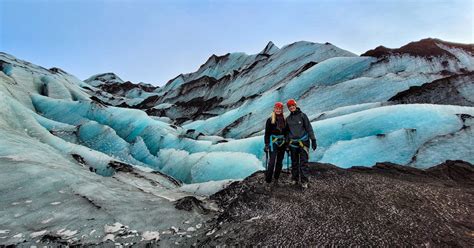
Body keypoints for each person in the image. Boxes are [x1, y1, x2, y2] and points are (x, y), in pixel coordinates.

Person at [285, 99, 317, 188]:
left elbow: (308, 128)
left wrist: (313, 139)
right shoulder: (288, 119)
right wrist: (287, 144)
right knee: (294, 162)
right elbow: (287, 132)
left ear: (295, 105)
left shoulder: (303, 116)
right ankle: (295, 179)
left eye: (293, 105)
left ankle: (304, 181)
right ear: (288, 108)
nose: (291, 107)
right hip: (293, 144)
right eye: (290, 106)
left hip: (303, 142)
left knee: (303, 162)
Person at [264, 102, 287, 185]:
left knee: (279, 162)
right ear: (274, 109)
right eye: (277, 108)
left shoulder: (285, 120)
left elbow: (286, 133)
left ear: (281, 110)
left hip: (283, 143)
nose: (278, 110)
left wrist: (287, 144)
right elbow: (267, 133)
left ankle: (276, 178)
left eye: (279, 109)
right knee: (272, 162)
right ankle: (268, 180)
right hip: (273, 142)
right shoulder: (270, 120)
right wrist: (266, 144)